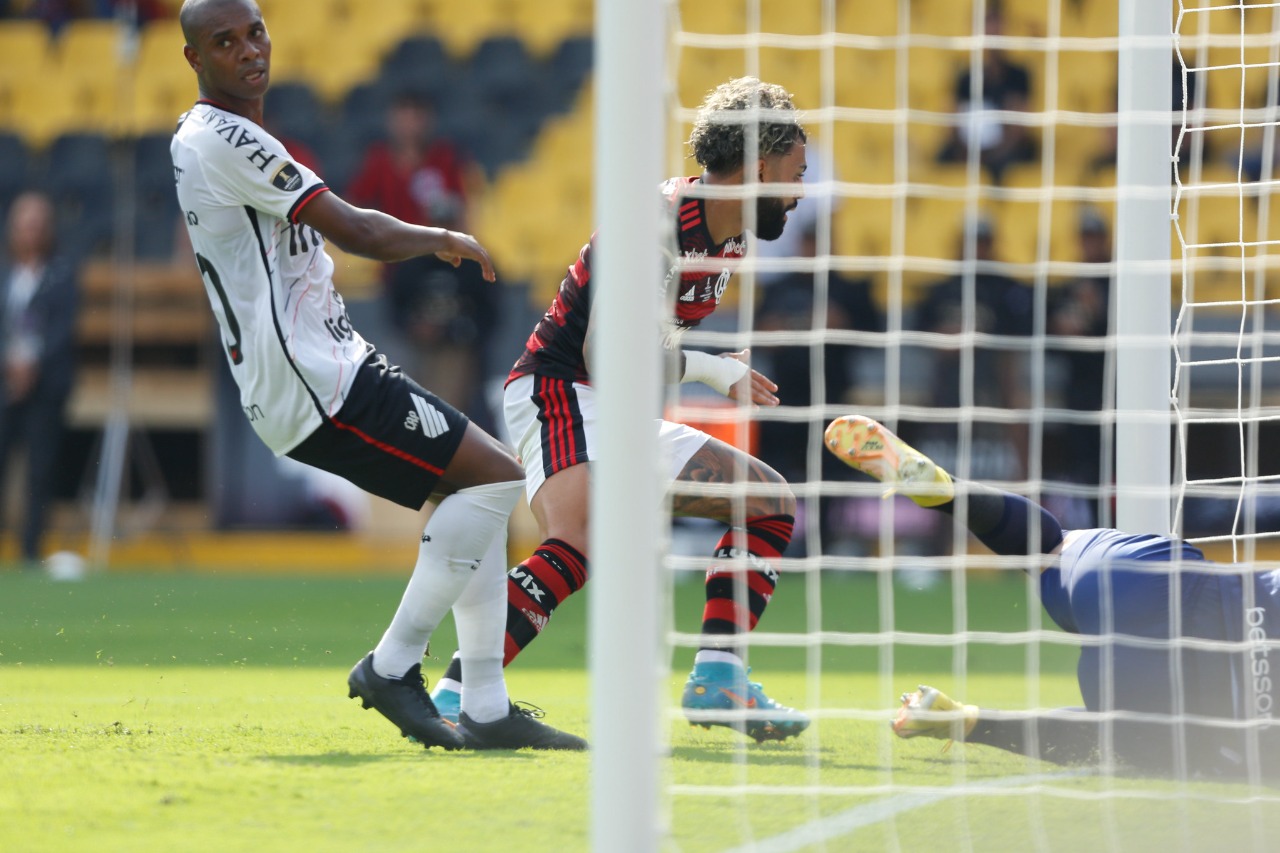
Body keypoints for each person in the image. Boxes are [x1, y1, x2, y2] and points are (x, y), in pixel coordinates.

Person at [172, 0, 582, 751]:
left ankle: (486, 703)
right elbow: (357, 229)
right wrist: (444, 237)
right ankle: (393, 666)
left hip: (327, 361)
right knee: (492, 480)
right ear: (196, 61)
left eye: (255, 32)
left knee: (482, 480)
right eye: (223, 42)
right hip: (311, 378)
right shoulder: (223, 136)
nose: (248, 51)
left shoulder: (227, 136)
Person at [430, 77, 811, 743]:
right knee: (577, 537)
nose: (799, 191)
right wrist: (714, 368)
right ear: (758, 163)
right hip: (558, 388)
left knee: (769, 502)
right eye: (795, 173)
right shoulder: (657, 223)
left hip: (622, 406)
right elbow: (609, 351)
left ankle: (720, 677)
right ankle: (461, 688)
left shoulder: (729, 239)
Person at [825, 413, 1280, 780]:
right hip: (1167, 693)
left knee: (1049, 546)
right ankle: (964, 720)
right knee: (1139, 745)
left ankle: (945, 490)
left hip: (1138, 578)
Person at [345, 91, 497, 431]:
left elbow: (462, 212)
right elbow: (353, 209)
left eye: (416, 113)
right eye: (404, 113)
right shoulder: (379, 160)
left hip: (443, 269)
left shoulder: (446, 159)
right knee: (404, 384)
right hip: (400, 277)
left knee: (451, 394)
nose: (410, 122)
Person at [0, 190, 78, 568]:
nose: (29, 233)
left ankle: (30, 549)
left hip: (45, 387)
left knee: (40, 470)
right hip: (5, 383)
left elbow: (63, 331)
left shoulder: (61, 274)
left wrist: (33, 364)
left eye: (36, 226)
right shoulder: (6, 275)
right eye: (23, 226)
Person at [1044, 206, 1112, 527]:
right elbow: (1051, 343)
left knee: (1115, 463)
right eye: (1086, 237)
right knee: (1083, 466)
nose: (1090, 243)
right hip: (1078, 388)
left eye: (1095, 236)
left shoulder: (1119, 284)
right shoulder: (1069, 286)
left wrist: (1094, 319)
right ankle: (1093, 527)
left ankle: (1117, 526)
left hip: (1111, 386)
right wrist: (1061, 328)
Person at [935, 3, 1036, 183]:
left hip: (1007, 152)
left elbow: (1019, 129)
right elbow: (954, 121)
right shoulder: (964, 78)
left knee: (1017, 162)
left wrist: (990, 156)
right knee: (942, 159)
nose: (991, 30)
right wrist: (968, 153)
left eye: (995, 22)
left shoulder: (1019, 75)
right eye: (986, 23)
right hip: (969, 149)